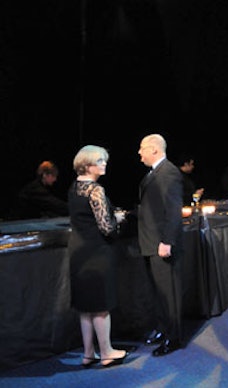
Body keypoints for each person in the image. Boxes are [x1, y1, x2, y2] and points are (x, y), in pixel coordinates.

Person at [67, 145, 128, 368]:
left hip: (78, 252)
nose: (104, 164)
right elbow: (106, 227)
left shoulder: (74, 188)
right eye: (100, 161)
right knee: (101, 306)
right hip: (96, 253)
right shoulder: (95, 190)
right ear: (87, 164)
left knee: (85, 307)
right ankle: (107, 352)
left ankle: (88, 353)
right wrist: (118, 219)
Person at [137, 133, 184, 356]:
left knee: (168, 292)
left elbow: (173, 210)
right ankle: (162, 329)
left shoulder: (169, 173)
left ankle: (173, 337)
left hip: (161, 244)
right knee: (158, 292)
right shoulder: (155, 173)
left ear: (154, 149)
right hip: (150, 242)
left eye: (142, 148)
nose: (139, 153)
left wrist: (167, 241)